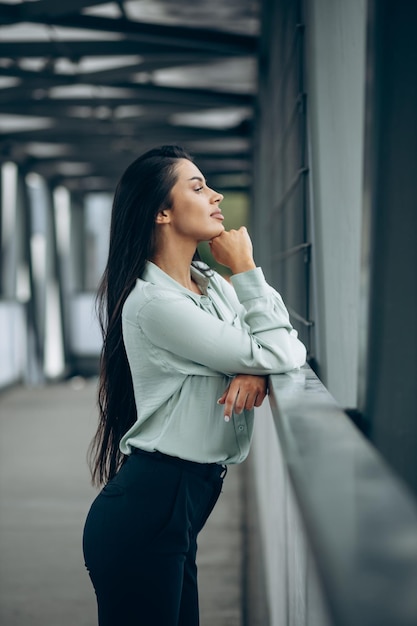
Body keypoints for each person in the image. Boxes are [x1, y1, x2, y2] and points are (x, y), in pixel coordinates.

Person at [82, 145, 306, 626]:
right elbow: (279, 349)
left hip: (178, 510)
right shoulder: (156, 304)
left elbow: (280, 350)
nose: (217, 195)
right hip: (150, 510)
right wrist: (246, 270)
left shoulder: (210, 284)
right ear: (162, 212)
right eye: (198, 186)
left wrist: (253, 367)